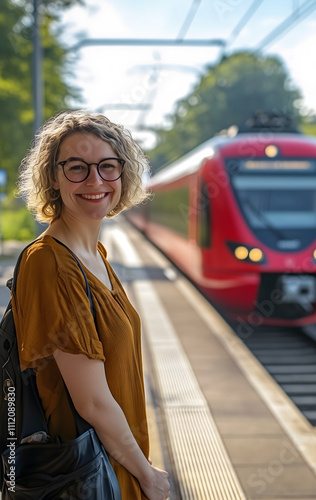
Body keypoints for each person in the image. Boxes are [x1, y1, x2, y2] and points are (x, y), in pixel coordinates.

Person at [13, 110, 170, 500]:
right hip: (88, 476)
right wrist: (146, 475)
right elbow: (94, 402)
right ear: (53, 176)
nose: (95, 181)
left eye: (107, 166)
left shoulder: (95, 254)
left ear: (123, 173)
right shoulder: (49, 261)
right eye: (77, 168)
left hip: (115, 466)